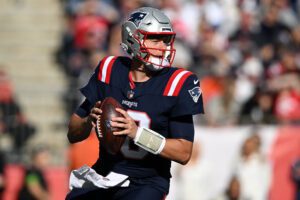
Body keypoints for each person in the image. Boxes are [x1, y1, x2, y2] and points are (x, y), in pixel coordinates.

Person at [66, 6, 204, 200]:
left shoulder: (179, 82)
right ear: (133, 38)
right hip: (105, 174)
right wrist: (89, 120)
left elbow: (183, 152)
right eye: (155, 39)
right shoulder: (109, 69)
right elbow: (73, 133)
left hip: (147, 182)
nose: (163, 47)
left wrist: (136, 133)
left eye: (166, 40)